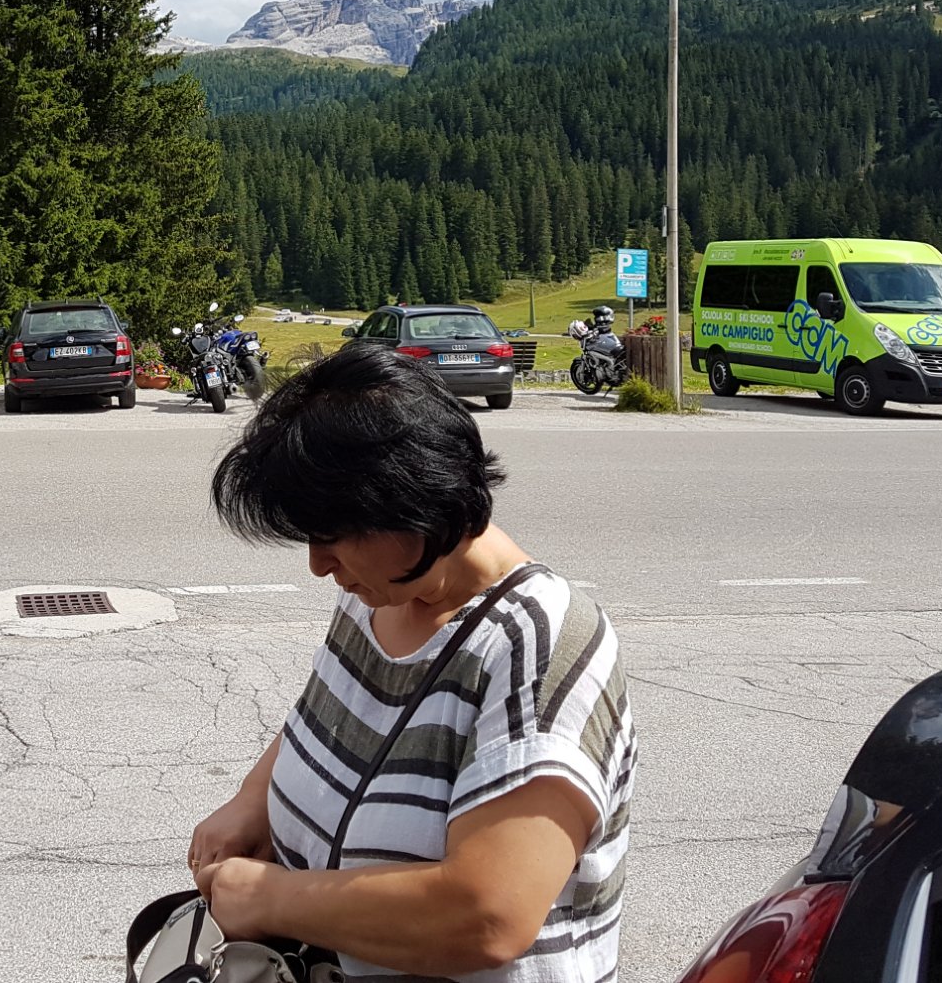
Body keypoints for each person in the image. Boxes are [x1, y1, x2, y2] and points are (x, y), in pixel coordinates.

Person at [189, 344, 634, 982]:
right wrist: (254, 799)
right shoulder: (379, 593)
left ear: (412, 503)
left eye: (330, 533)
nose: (317, 564)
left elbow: (487, 915)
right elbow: (329, 718)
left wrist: (267, 899)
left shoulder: (535, 644)